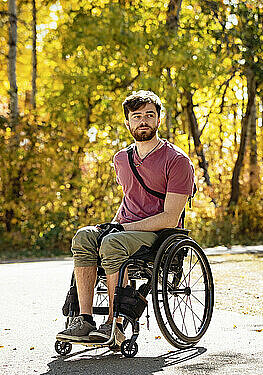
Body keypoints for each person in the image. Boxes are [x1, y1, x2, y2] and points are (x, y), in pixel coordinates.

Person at [56, 90, 195, 345]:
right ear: (127, 122)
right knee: (84, 236)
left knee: (112, 243)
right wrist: (116, 226)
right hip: (125, 228)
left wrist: (124, 228)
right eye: (137, 116)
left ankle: (114, 323)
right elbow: (131, 197)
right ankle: (84, 319)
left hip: (159, 233)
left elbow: (171, 217)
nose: (143, 121)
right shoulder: (121, 159)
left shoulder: (177, 161)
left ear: (159, 120)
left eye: (149, 115)